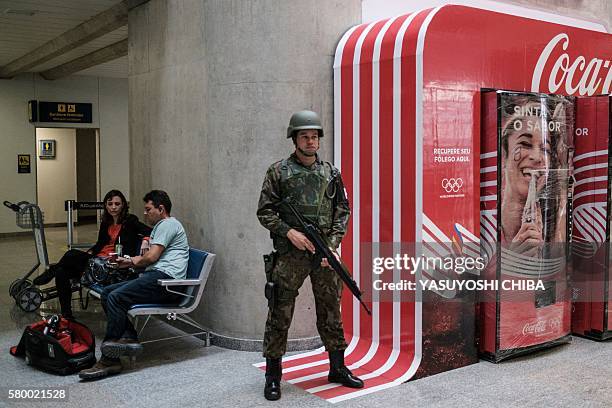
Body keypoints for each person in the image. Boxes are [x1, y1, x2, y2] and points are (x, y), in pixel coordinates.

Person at [257, 110, 363, 401]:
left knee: (331, 311)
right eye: (304, 136)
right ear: (294, 139)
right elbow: (265, 212)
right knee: (280, 313)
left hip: (324, 253)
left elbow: (343, 210)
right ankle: (273, 375)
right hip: (291, 255)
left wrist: (332, 245)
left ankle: (338, 367)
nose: (310, 140)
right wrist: (290, 232)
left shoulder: (331, 172)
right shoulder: (278, 172)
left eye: (314, 136)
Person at [79, 190, 189, 380]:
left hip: (166, 282)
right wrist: (128, 262)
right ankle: (129, 336)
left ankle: (109, 360)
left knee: (115, 297)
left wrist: (133, 262)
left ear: (161, 209)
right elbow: (149, 257)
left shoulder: (168, 224)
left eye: (148, 209)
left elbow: (152, 257)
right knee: (107, 293)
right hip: (157, 278)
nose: (145, 213)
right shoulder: (163, 226)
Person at [33, 190, 151, 319]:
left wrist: (145, 241)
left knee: (71, 254)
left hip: (111, 266)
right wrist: (89, 253)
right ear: (105, 205)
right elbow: (100, 243)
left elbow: (150, 231)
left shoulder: (130, 221)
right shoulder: (107, 222)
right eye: (110, 204)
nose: (113, 207)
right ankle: (67, 315)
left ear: (123, 205)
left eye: (117, 204)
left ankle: (51, 271)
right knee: (62, 272)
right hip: (96, 262)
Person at [499, 94, 571, 258]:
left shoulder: (556, 230)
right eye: (525, 144)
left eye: (545, 149)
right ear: (504, 155)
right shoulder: (486, 229)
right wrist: (514, 264)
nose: (537, 157)